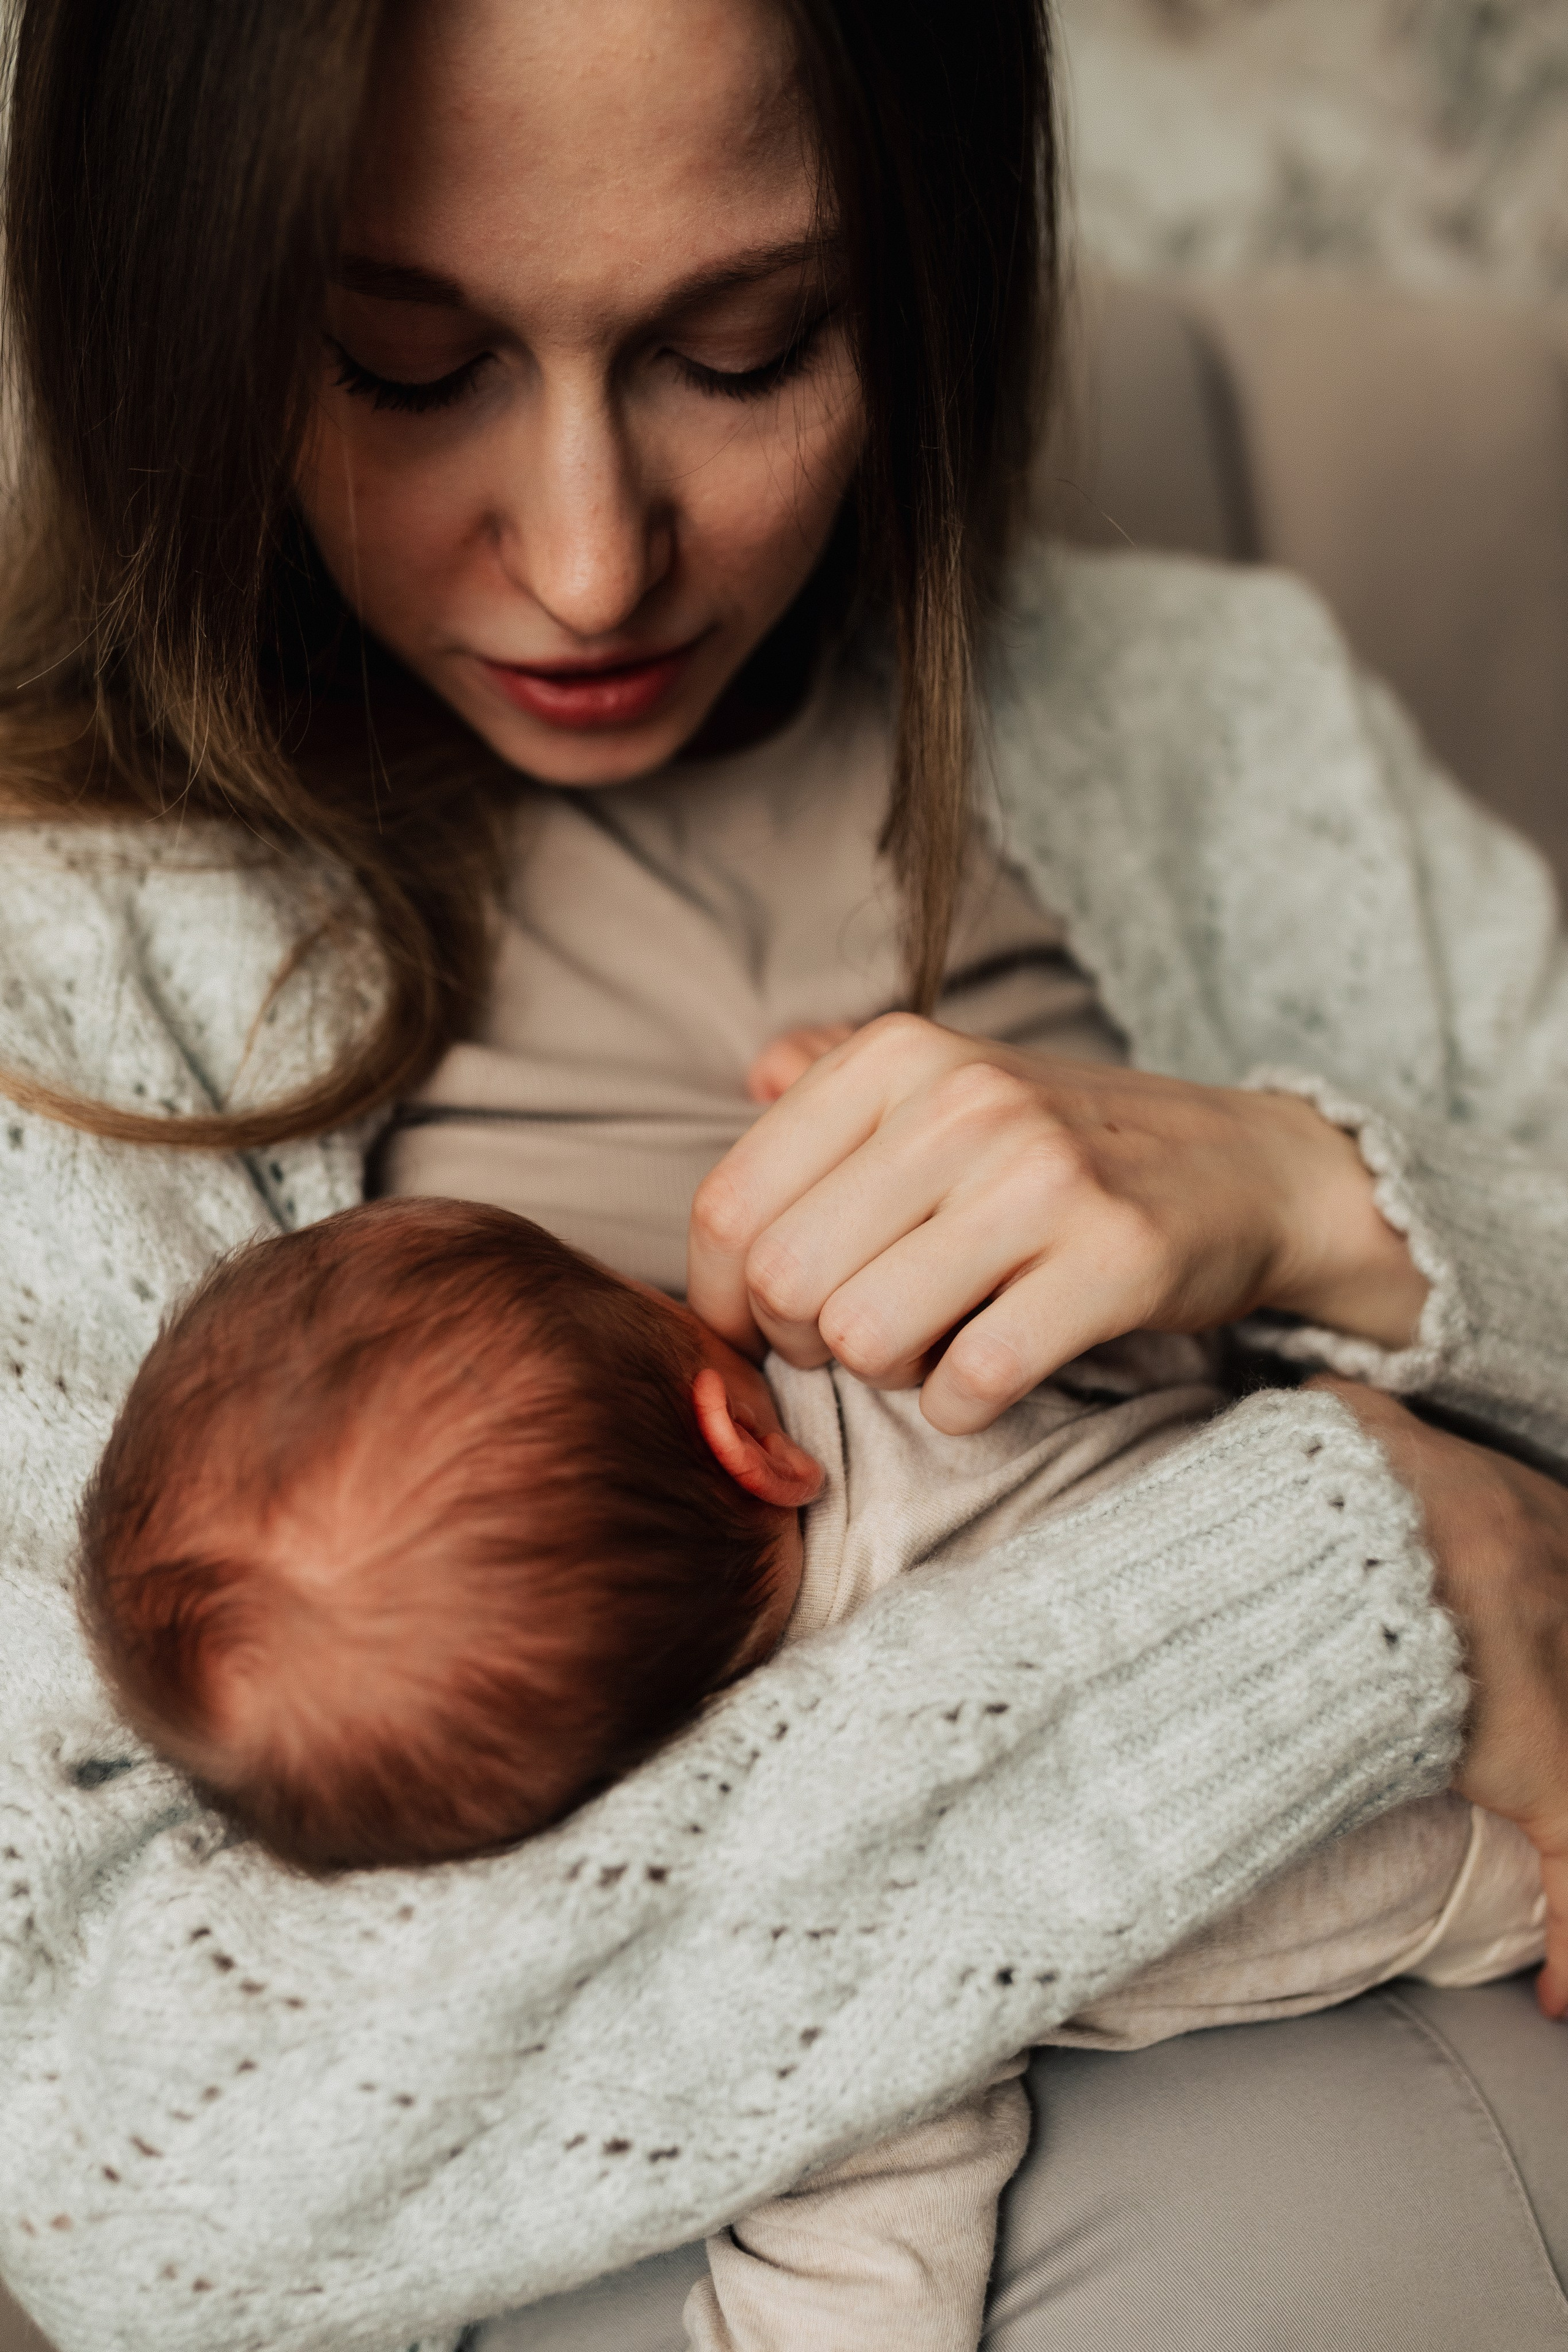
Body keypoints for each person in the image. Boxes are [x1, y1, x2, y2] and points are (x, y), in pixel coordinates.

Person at [0, 1, 1567, 2348]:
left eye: (744, 351)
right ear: (185, 309)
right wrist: (1375, 1560)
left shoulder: (1221, 722)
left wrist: (1321, 1197)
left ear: (921, 276)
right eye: (401, 364)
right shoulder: (58, 961)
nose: (590, 562)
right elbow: (132, 2157)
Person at [78, 1192, 1546, 2352]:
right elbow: (1160, 1326)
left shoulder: (803, 1910)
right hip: (1473, 1582)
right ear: (742, 1434)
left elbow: (860, 2263)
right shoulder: (910, 1354)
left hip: (1485, 1872)